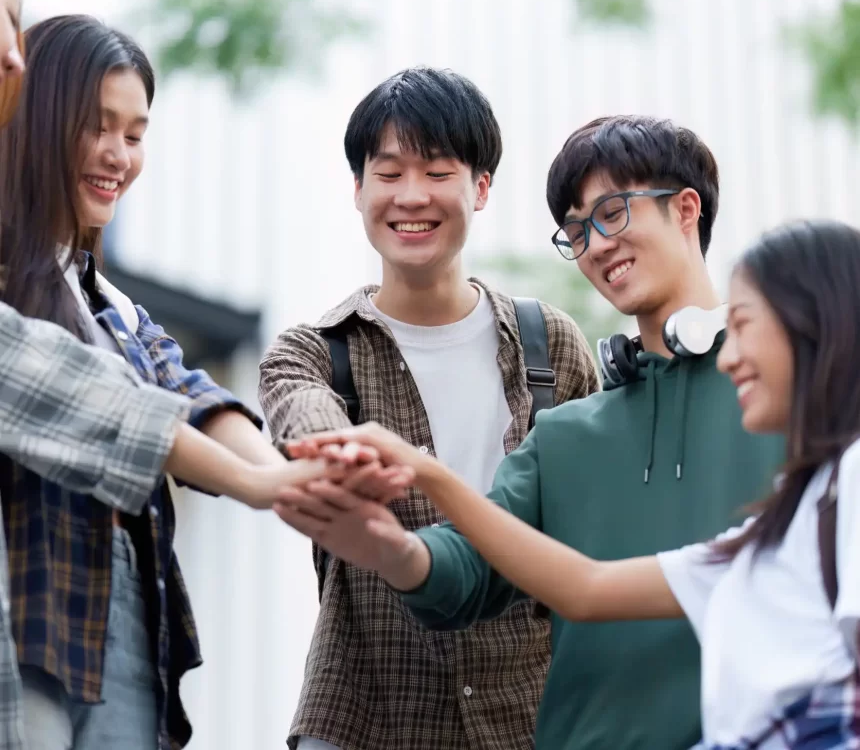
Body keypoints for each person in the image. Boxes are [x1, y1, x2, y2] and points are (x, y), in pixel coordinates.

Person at [274, 116, 787, 749]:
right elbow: (468, 568)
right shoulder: (566, 437)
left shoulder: (792, 401)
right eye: (577, 229)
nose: (596, 244)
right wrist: (387, 547)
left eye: (613, 212)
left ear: (686, 210)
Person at [0, 0, 327, 750]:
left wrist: (294, 475)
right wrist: (269, 488)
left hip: (126, 620)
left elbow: (194, 399)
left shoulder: (113, 307)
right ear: (38, 117)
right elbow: (111, 411)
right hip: (24, 614)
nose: (119, 155)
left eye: (137, 133)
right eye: (97, 126)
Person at [259, 67, 599, 750]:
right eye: (388, 174)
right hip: (365, 711)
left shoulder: (550, 343)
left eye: (437, 171)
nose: (411, 197)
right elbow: (305, 417)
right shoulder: (314, 350)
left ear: (480, 186)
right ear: (357, 189)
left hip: (529, 713)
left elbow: (589, 526)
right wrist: (350, 459)